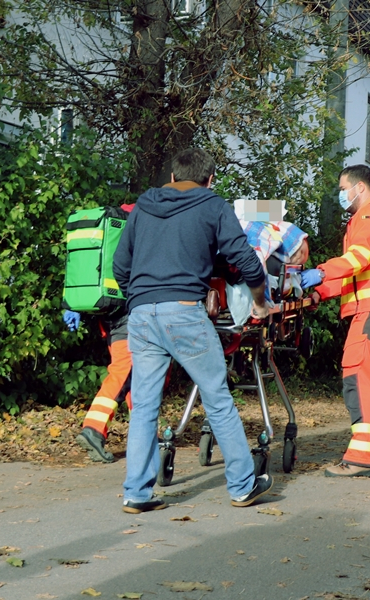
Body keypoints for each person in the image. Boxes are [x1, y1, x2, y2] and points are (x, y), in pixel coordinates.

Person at [112, 147, 274, 513]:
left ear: (172, 177)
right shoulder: (213, 205)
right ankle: (242, 486)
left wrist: (141, 299)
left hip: (140, 313)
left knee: (144, 408)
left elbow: (121, 264)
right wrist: (260, 302)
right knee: (216, 397)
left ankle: (137, 493)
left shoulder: (143, 206)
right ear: (210, 179)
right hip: (184, 312)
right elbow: (246, 260)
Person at [299, 164, 370, 477]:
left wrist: (320, 272)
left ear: (359, 188)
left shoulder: (366, 215)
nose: (341, 194)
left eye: (342, 188)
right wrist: (320, 293)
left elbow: (357, 258)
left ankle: (361, 457)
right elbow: (357, 274)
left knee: (356, 372)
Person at [62, 307, 132, 463]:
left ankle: (145, 437)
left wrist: (72, 308)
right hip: (129, 318)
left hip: (111, 317)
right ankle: (94, 429)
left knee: (133, 378)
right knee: (124, 373)